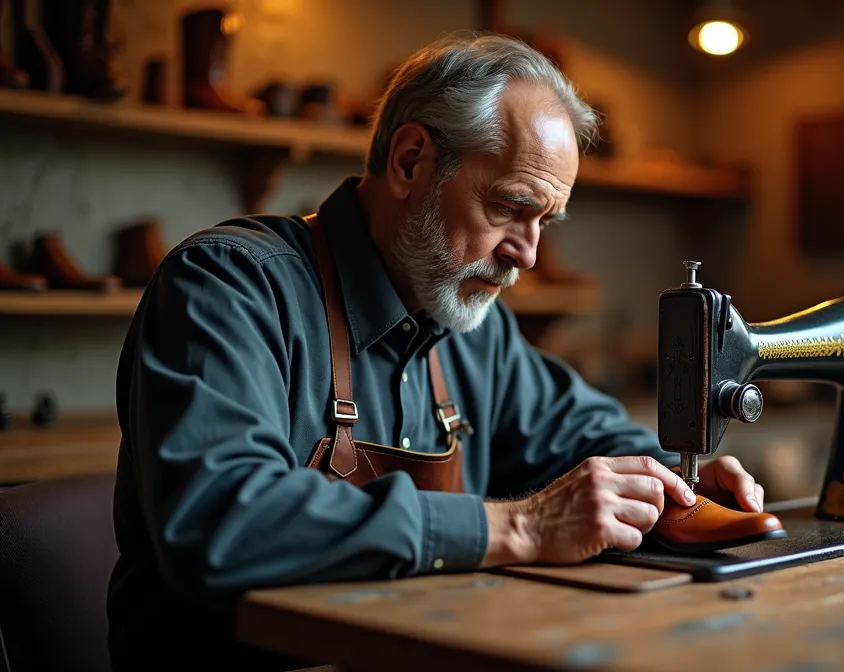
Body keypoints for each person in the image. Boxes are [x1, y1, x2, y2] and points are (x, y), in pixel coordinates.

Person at [107, 34, 767, 671]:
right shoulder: (228, 286)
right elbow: (223, 525)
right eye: (511, 207)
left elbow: (583, 434)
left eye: (544, 223)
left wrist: (666, 481)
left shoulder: (473, 326)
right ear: (410, 161)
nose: (528, 254)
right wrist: (519, 527)